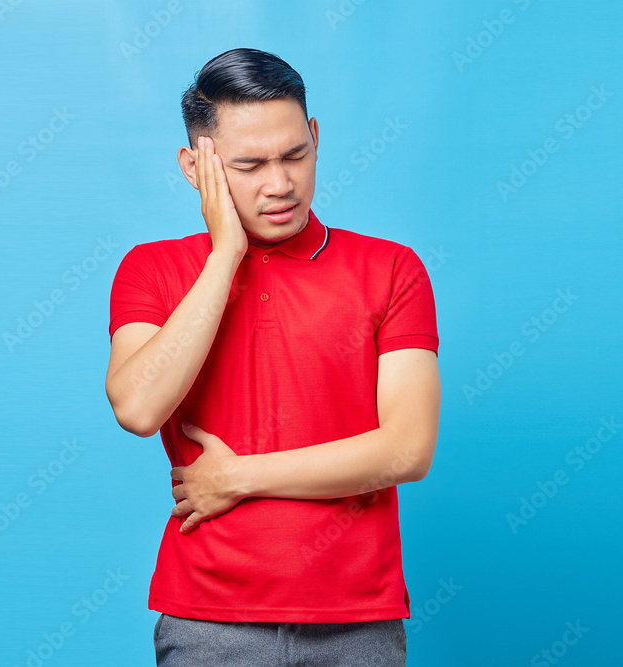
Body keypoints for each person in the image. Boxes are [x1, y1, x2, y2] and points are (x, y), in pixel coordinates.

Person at [105, 47, 441, 666]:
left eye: (295, 155)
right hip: (208, 619)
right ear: (195, 165)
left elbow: (407, 449)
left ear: (315, 136)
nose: (280, 184)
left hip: (356, 620)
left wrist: (239, 476)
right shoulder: (152, 269)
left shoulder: (391, 269)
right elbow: (139, 406)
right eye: (249, 165)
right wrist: (224, 253)